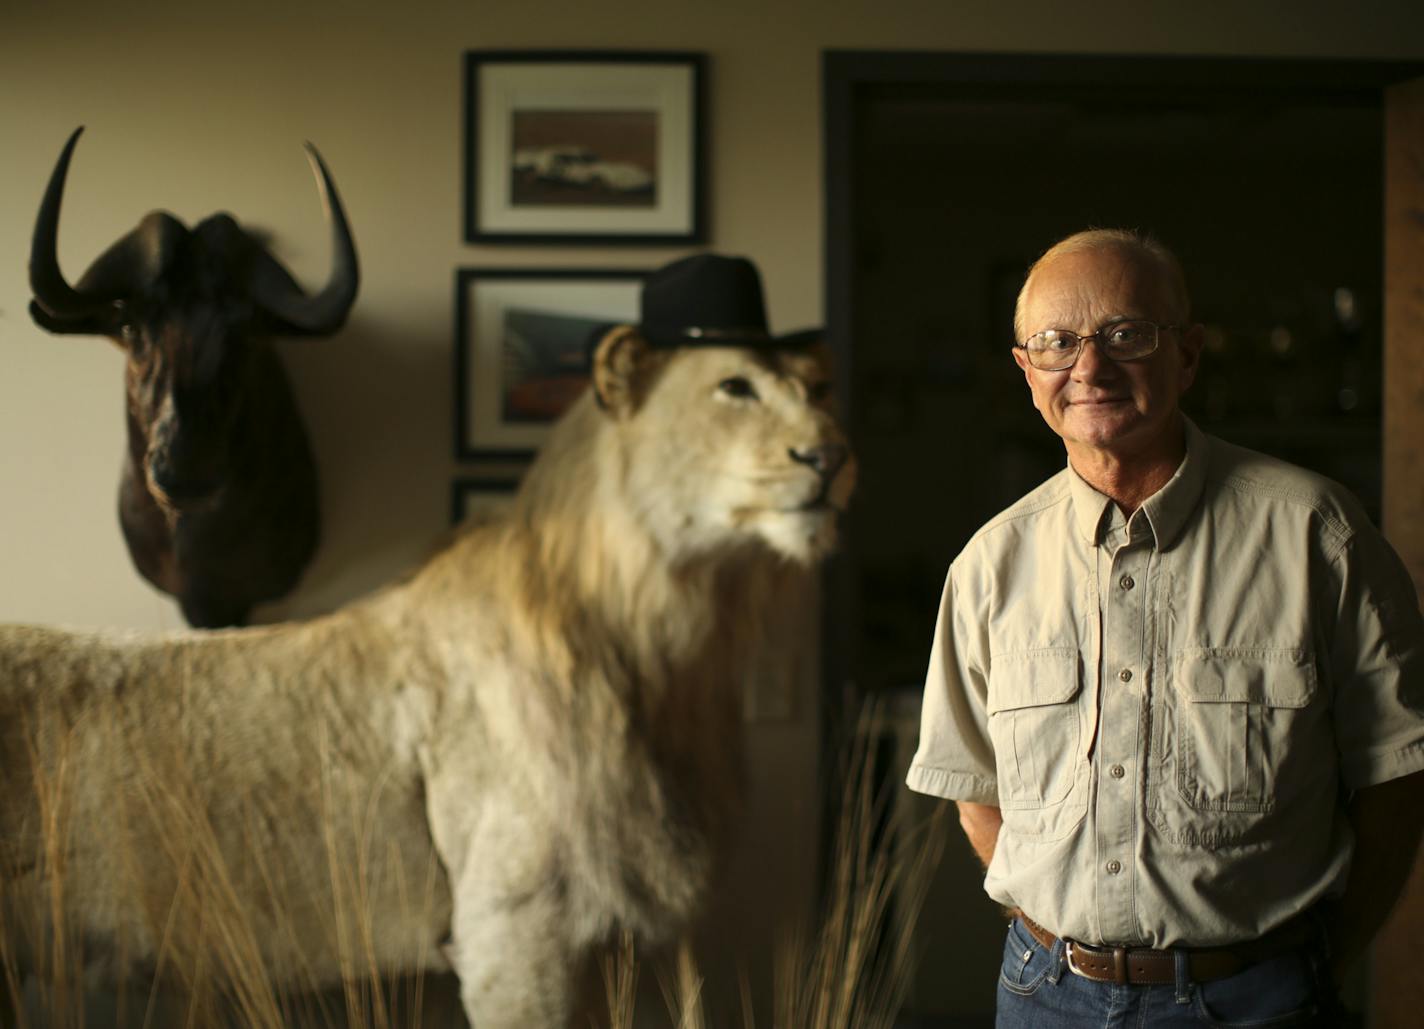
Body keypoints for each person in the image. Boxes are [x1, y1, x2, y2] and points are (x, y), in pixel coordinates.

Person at [905, 228, 1424, 1027]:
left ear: (1187, 354)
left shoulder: (1317, 534)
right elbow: (975, 790)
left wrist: (1316, 961)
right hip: (1044, 999)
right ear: (1026, 372)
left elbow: (1396, 778)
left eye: (1125, 335)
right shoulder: (989, 565)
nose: (1089, 368)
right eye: (1056, 343)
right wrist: (1057, 924)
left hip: (1258, 1000)